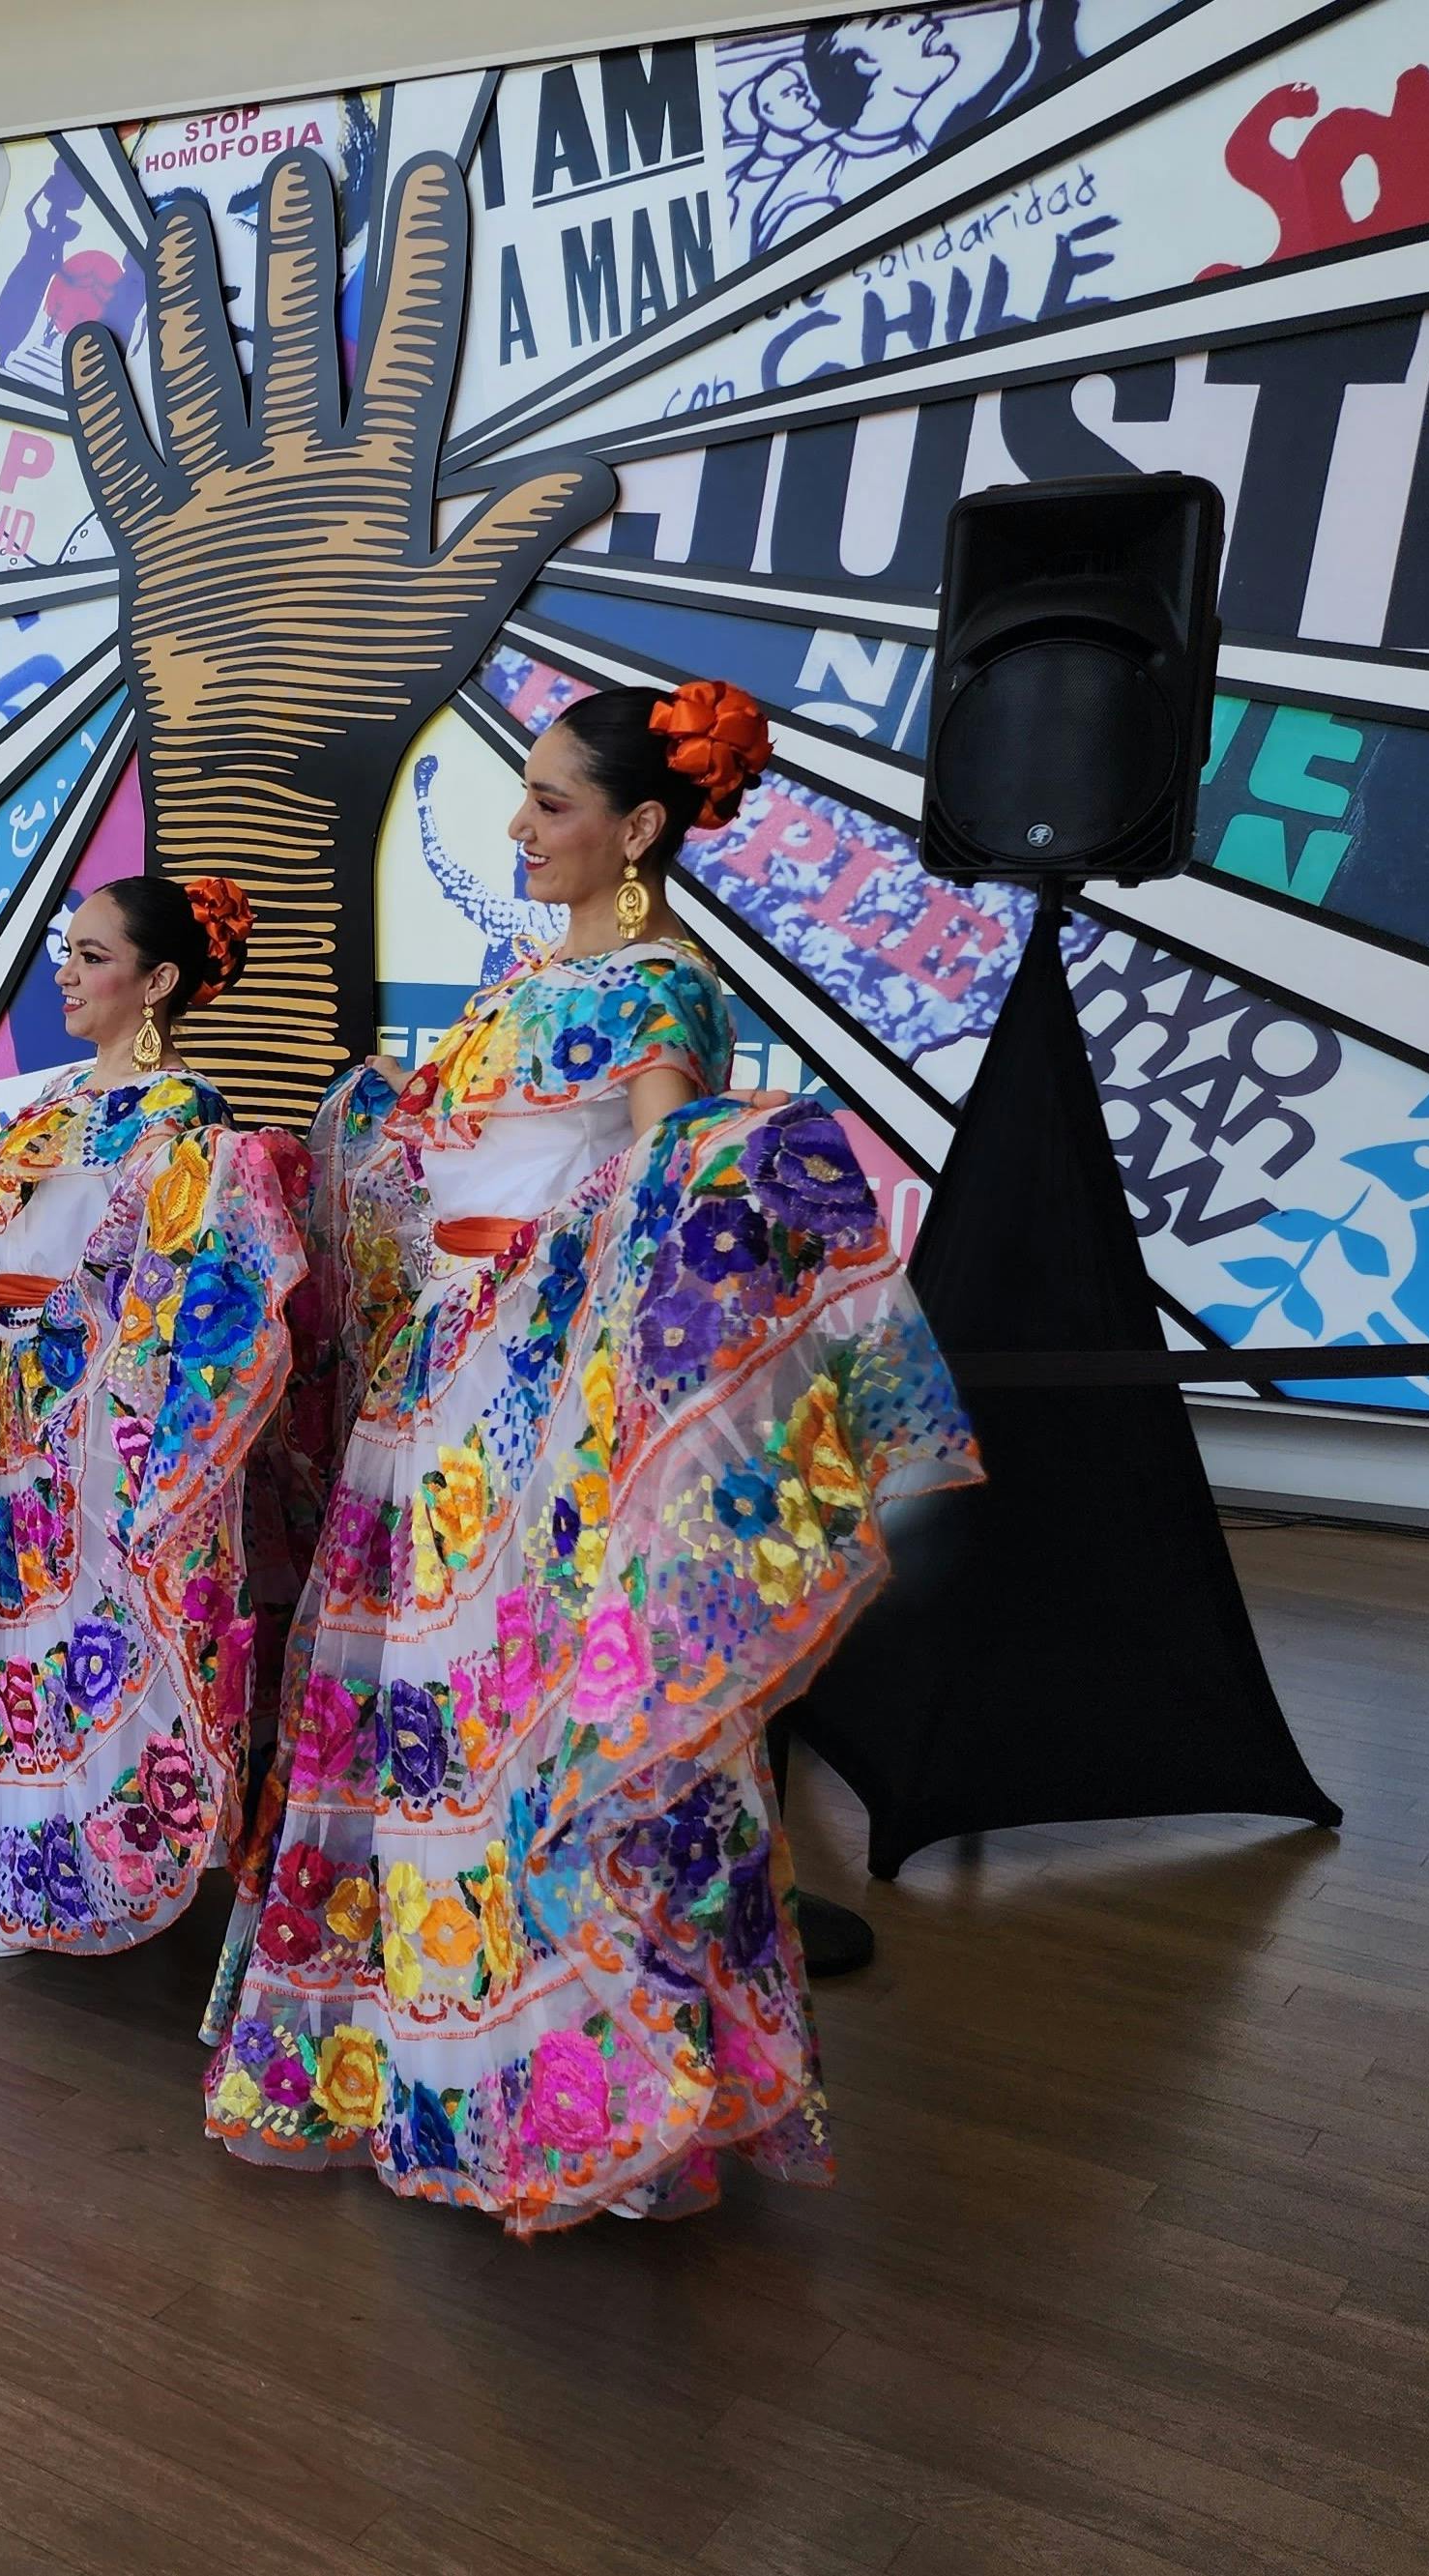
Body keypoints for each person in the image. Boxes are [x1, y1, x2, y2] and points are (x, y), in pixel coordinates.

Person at [198, 679, 977, 2233]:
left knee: (544, 1727)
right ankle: (431, 2058)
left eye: (553, 802)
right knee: (429, 1726)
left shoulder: (661, 996)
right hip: (435, 1402)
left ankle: (595, 2083)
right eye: (526, 796)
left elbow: (678, 1202)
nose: (519, 825)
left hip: (536, 1419)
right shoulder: (504, 992)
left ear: (638, 828)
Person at [0, 876, 307, 1957]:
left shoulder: (183, 1115)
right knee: (2, 1639)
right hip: (3, 1395)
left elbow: (178, 1280)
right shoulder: (51, 1102)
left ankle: (89, 1872)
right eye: (63, 951)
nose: (66, 973)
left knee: (88, 1630)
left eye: (91, 955)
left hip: (88, 1409)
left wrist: (98, 1384)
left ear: (158, 981)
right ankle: (16, 1873)